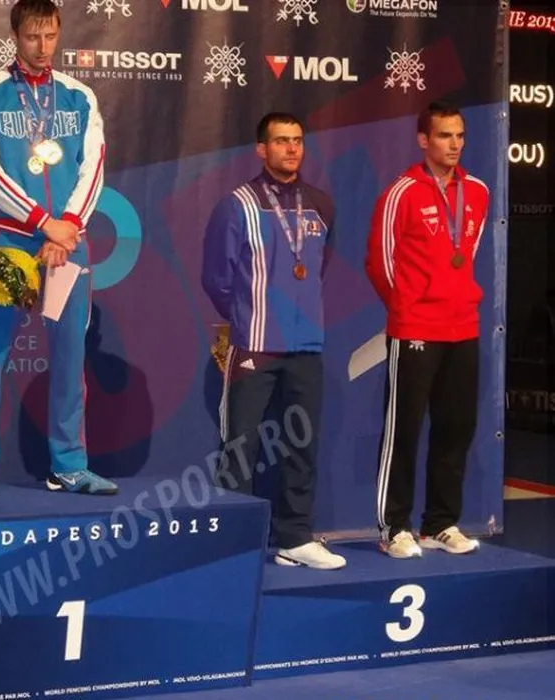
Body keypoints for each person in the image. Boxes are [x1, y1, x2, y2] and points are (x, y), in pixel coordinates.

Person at [0, 0, 117, 501]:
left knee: (69, 357)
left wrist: (67, 226)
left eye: (50, 36)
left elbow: (93, 165)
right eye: (32, 36)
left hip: (68, 244)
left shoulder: (79, 96)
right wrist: (43, 223)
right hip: (12, 240)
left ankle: (68, 466)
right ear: (15, 35)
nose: (42, 46)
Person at [201, 112, 345, 570]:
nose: (291, 149)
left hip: (306, 345)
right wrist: (248, 317)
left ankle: (295, 537)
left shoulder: (320, 205)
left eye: (297, 140)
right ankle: (232, 545)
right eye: (281, 141)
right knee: (240, 447)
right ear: (261, 149)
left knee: (302, 445)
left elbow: (317, 269)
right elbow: (217, 278)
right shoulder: (237, 205)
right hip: (255, 344)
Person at [365, 101, 490, 559]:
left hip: (463, 327)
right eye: (444, 135)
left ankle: (440, 523)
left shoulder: (477, 191)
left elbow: (466, 253)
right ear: (423, 140)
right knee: (404, 431)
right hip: (416, 326)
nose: (454, 144)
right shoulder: (401, 193)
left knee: (456, 428)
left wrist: (455, 299)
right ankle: (393, 527)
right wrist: (408, 309)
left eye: (460, 135)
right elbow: (380, 261)